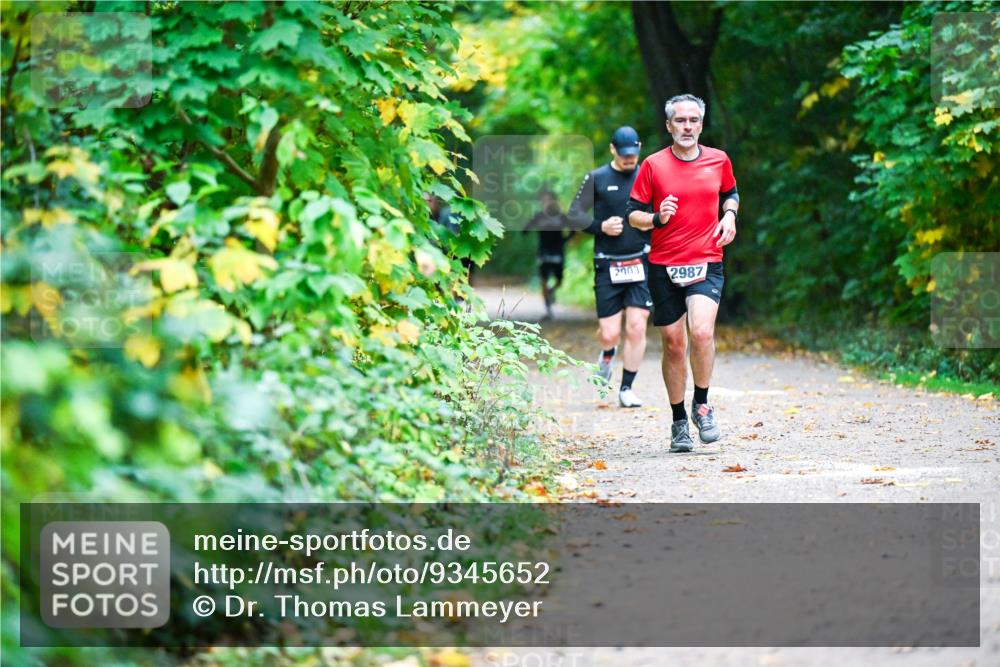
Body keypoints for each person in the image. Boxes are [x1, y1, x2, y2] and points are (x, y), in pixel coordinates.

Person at [626, 94, 740, 453]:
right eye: (680, 120)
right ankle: (678, 421)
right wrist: (657, 217)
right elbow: (633, 215)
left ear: (701, 125)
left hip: (707, 259)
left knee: (702, 332)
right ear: (669, 125)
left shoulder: (719, 159)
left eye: (693, 120)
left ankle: (701, 405)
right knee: (674, 345)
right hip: (664, 265)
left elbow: (731, 192)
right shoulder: (653, 165)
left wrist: (730, 215)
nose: (687, 126)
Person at [566, 126, 652, 408]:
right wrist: (600, 226)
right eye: (623, 153)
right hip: (608, 262)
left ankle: (626, 388)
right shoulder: (597, 178)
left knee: (637, 327)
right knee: (609, 334)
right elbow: (574, 215)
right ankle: (606, 354)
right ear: (612, 150)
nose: (629, 158)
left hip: (641, 261)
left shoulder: (648, 175)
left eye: (633, 153)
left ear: (639, 148)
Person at [525, 189, 572, 319]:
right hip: (543, 252)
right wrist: (528, 227)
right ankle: (548, 309)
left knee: (559, 280)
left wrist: (564, 240)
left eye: (549, 199)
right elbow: (525, 229)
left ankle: (551, 291)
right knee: (544, 280)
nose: (547, 202)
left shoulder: (561, 216)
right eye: (544, 200)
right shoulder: (539, 216)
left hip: (557, 252)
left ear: (554, 201)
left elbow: (572, 230)